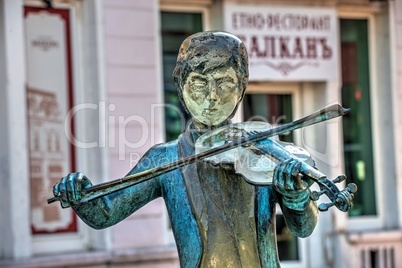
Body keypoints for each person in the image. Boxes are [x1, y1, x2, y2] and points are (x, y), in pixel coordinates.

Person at [53, 31, 318, 268]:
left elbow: (303, 228)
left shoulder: (264, 154)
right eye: (200, 83)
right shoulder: (164, 159)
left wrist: (296, 198)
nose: (213, 96)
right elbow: (105, 213)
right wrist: (79, 194)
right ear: (181, 87)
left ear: (241, 89)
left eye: (225, 83)